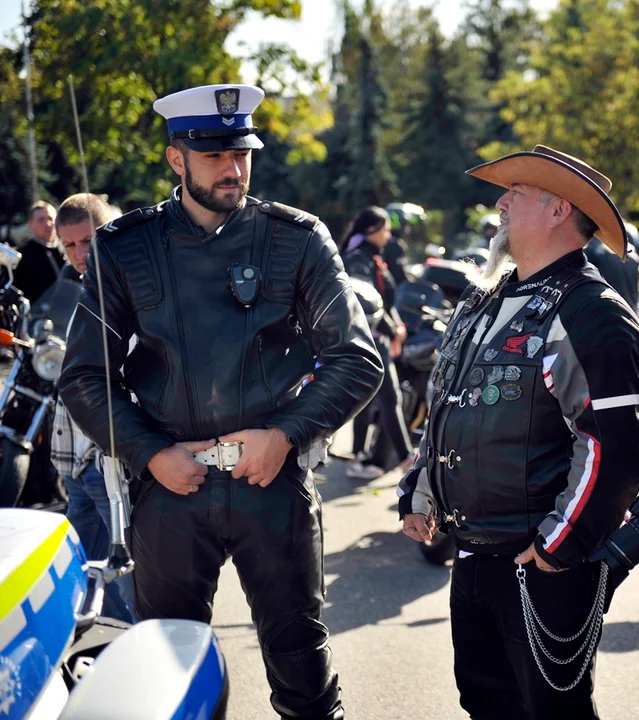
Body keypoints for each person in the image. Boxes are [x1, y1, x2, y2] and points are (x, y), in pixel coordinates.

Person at [58, 83, 384, 720]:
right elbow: (85, 378)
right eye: (212, 155)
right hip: (172, 488)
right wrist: (149, 453)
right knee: (167, 673)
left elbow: (356, 358)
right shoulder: (125, 247)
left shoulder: (295, 239)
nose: (232, 168)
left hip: (270, 481)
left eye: (242, 152)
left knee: (302, 668)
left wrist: (285, 435)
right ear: (176, 158)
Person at [398, 145, 639, 719]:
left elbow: (610, 448)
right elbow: (443, 406)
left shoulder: (592, 311)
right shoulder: (483, 299)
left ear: (559, 210)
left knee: (554, 712)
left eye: (517, 193)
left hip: (542, 560)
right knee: (485, 703)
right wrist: (419, 489)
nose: (501, 202)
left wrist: (559, 548)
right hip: (472, 552)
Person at [51, 192, 136, 623]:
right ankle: (96, 651)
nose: (80, 253)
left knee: (130, 578)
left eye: (88, 241)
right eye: (70, 245)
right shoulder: (78, 290)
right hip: (78, 463)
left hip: (109, 461)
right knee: (74, 574)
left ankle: (153, 651)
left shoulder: (125, 288)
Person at [339, 206, 413, 481]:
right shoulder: (358, 259)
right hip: (370, 339)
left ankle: (358, 456)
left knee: (368, 399)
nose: (389, 234)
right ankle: (407, 460)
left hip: (377, 336)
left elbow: (383, 300)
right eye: (385, 229)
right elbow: (364, 303)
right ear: (371, 231)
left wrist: (398, 326)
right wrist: (392, 331)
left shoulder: (372, 256)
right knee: (390, 397)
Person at [13, 200, 64, 303]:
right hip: (37, 315)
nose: (48, 224)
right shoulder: (22, 256)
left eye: (50, 218)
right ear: (30, 224)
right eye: (41, 220)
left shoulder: (69, 249)